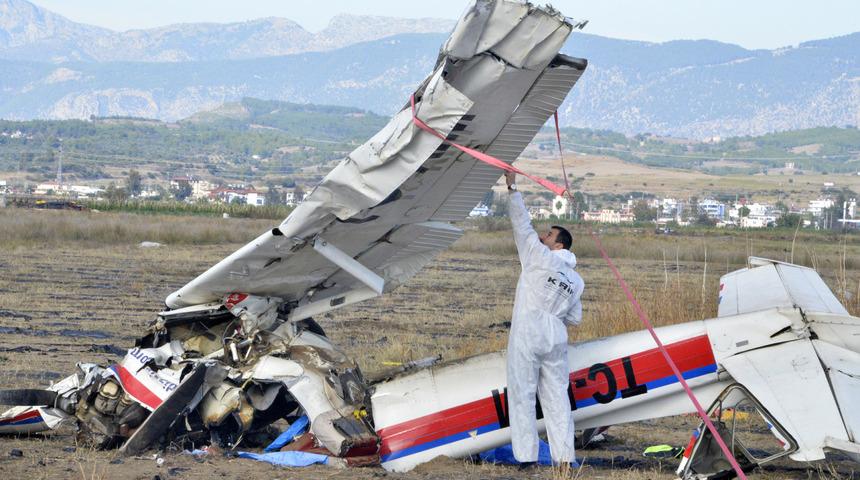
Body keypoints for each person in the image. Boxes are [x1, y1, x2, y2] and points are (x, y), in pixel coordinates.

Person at [504, 171, 584, 467]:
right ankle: (565, 459)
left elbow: (521, 226)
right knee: (557, 398)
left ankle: (526, 458)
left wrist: (513, 189)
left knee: (523, 395)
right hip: (556, 337)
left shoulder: (538, 256)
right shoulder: (576, 280)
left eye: (548, 235)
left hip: (529, 330)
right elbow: (574, 318)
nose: (542, 236)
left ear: (559, 245)